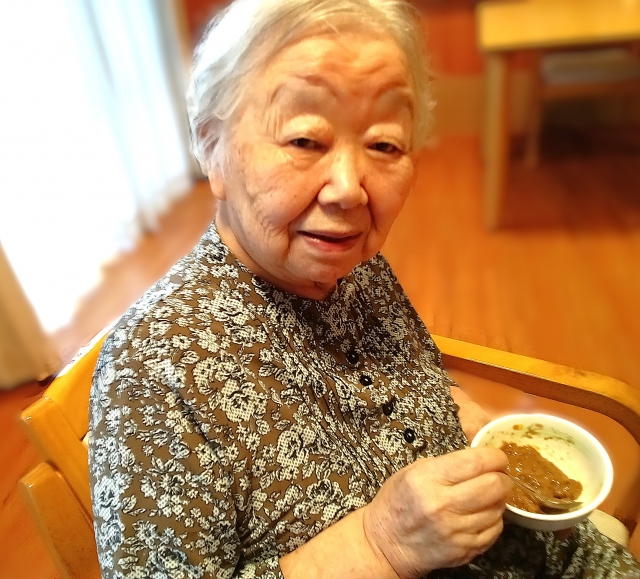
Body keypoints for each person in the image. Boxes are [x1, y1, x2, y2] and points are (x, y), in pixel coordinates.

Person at [88, 0, 640, 577]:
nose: (350, 190)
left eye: (384, 145)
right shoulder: (152, 372)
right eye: (305, 140)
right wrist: (378, 545)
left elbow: (390, 382)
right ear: (211, 146)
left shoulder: (342, 259)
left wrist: (453, 409)